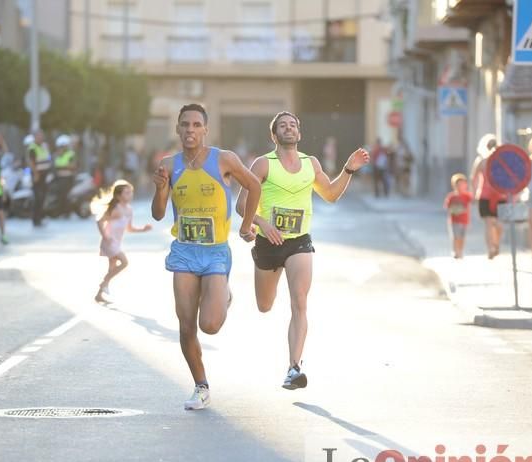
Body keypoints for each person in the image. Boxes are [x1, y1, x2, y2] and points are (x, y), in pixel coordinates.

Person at [235, 111, 369, 390]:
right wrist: (259, 222)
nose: (288, 128)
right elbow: (240, 206)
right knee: (264, 305)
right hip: (267, 244)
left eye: (292, 125)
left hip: (299, 242)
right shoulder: (262, 164)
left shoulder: (311, 163)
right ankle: (292, 363)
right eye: (282, 126)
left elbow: (330, 194)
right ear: (274, 135)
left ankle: (294, 368)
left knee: (300, 302)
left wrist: (348, 168)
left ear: (299, 133)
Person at [151, 103, 262, 411]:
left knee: (210, 325)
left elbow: (253, 186)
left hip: (215, 252)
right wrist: (160, 190)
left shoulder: (224, 159)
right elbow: (159, 213)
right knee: (186, 326)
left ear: (205, 129)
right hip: (184, 252)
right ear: (177, 129)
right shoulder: (168, 164)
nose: (190, 130)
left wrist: (246, 223)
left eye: (196, 125)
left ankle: (223, 294)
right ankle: (201, 386)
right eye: (185, 124)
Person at [94, 180, 151, 302]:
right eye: (126, 193)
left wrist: (143, 229)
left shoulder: (129, 209)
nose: (130, 195)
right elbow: (99, 221)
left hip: (117, 242)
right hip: (109, 242)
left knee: (112, 268)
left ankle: (99, 294)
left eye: (131, 192)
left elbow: (129, 228)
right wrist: (105, 236)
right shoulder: (115, 209)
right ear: (118, 195)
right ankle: (103, 283)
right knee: (124, 262)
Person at [471, 134, 505, 259]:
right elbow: (473, 177)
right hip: (485, 195)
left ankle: (496, 244)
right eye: (490, 145)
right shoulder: (481, 161)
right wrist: (474, 192)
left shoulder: (502, 160)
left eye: (494, 145)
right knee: (489, 223)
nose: (492, 147)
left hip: (500, 196)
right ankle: (490, 248)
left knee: (499, 224)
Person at [444, 173, 472, 259]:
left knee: (462, 238)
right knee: (456, 237)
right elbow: (447, 207)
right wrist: (455, 210)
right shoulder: (451, 196)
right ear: (454, 185)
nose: (461, 186)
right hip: (454, 220)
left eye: (462, 184)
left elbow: (473, 200)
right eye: (458, 184)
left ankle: (460, 251)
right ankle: (455, 251)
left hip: (465, 220)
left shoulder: (467, 196)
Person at [28, 129, 52, 227]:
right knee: (38, 197)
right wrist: (36, 174)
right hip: (37, 175)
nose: (40, 137)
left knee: (43, 197)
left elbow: (47, 158)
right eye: (38, 136)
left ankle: (41, 218)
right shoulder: (32, 147)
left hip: (45, 175)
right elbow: (32, 162)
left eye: (41, 135)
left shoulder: (44, 146)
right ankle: (36, 220)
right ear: (34, 137)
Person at [53, 135, 77, 217]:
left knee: (65, 195)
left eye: (62, 146)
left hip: (67, 178)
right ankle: (59, 211)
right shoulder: (57, 155)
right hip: (58, 177)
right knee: (59, 195)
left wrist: (62, 167)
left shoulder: (70, 154)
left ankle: (66, 212)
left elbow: (72, 166)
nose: (60, 148)